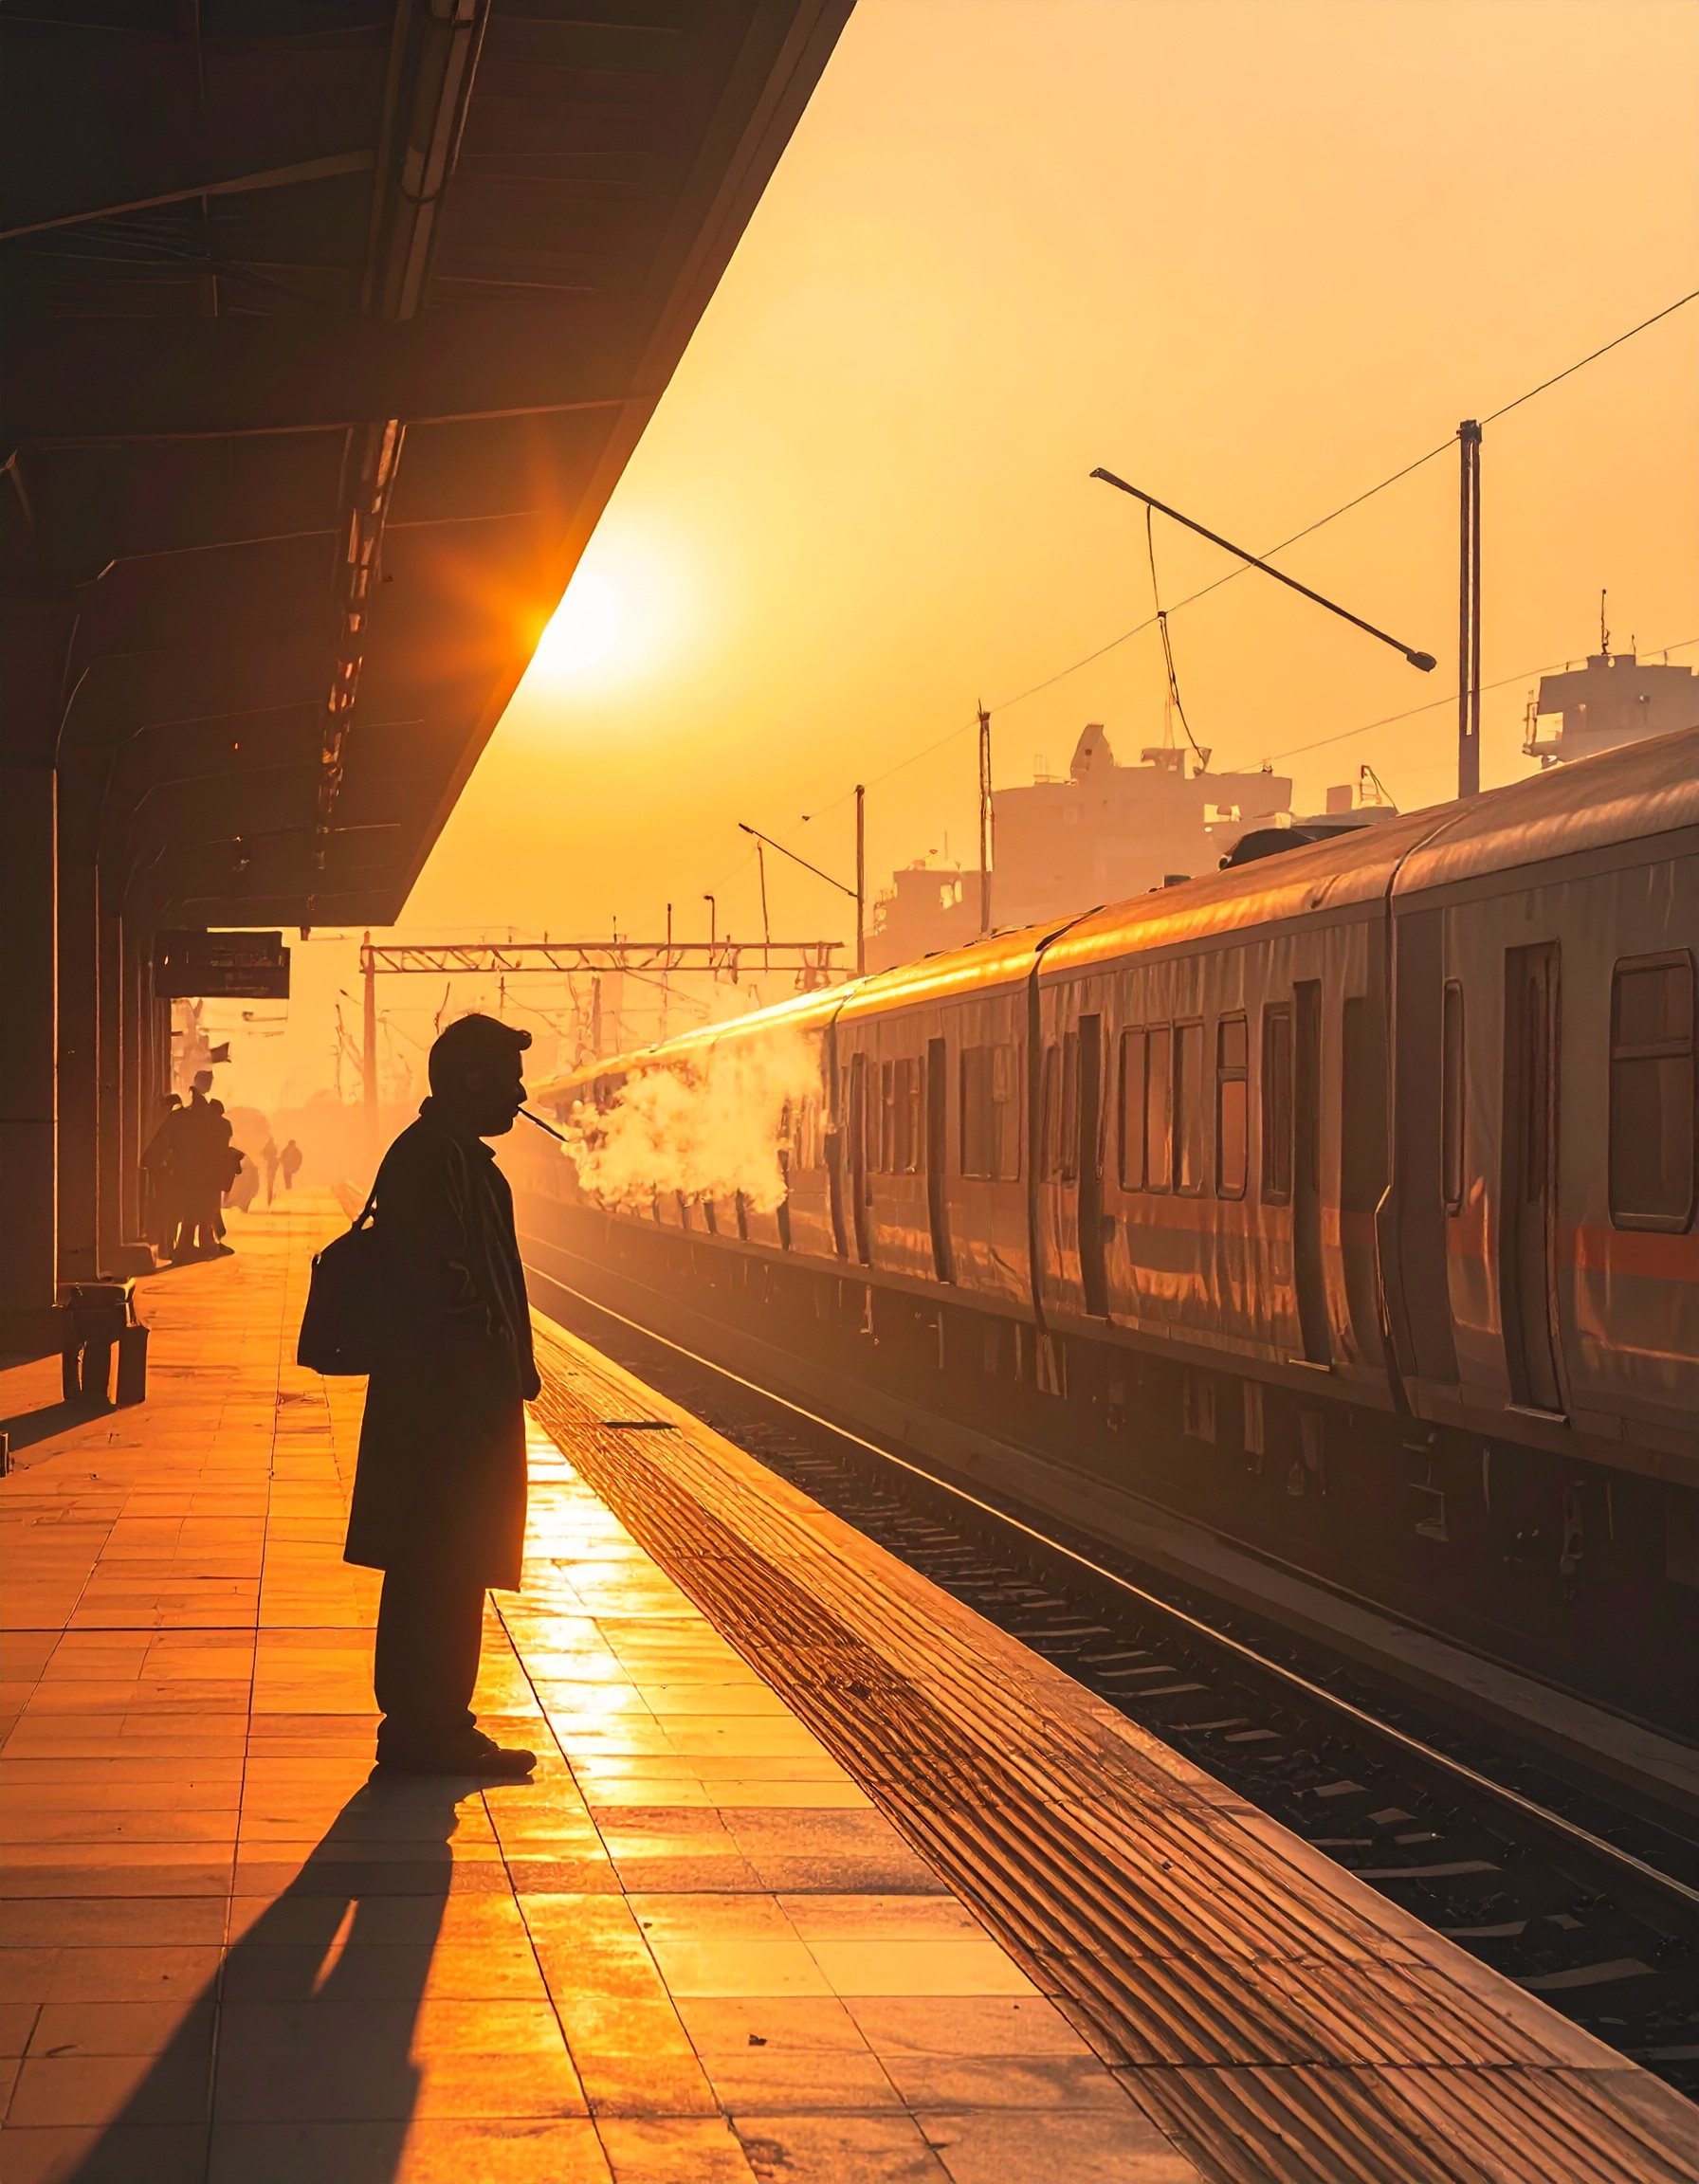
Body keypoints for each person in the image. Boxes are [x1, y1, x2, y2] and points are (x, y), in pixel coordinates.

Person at [343, 1014, 539, 1777]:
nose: (521, 1094)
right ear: (471, 1082)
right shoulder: (436, 1161)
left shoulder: (450, 1156)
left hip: (452, 1405)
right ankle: (428, 1729)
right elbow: (440, 1280)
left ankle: (432, 1722)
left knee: (444, 1567)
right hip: (445, 1411)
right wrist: (488, 1355)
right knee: (441, 1564)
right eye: (508, 1077)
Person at [262, 1138, 280, 1206]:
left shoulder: (266, 1147)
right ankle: (272, 1195)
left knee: (269, 1180)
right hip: (273, 1164)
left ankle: (270, 1196)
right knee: (272, 1180)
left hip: (269, 1164)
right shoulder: (274, 1148)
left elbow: (263, 1154)